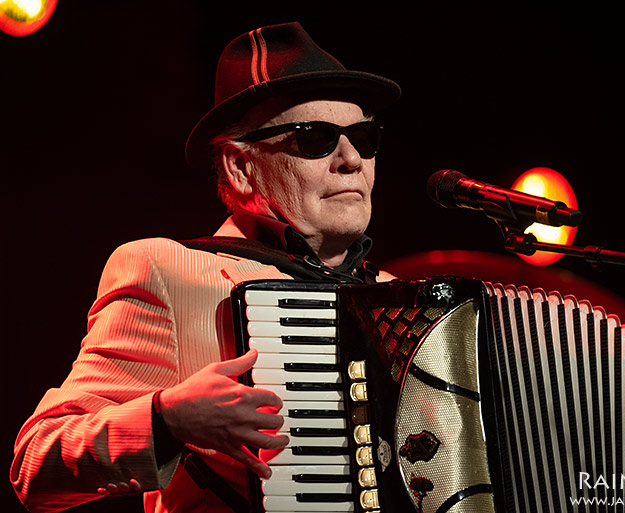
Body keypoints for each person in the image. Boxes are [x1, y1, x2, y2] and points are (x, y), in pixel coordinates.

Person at [10, 21, 401, 513]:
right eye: (315, 139)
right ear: (241, 167)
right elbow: (35, 463)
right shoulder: (168, 270)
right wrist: (165, 421)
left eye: (364, 137)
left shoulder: (399, 299)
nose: (351, 159)